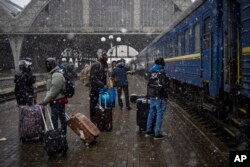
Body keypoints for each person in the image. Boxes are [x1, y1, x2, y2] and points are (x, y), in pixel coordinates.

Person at [39, 58, 68, 135]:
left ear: (53, 64)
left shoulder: (56, 75)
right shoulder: (53, 73)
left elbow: (54, 90)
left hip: (57, 101)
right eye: (47, 64)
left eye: (49, 64)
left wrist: (45, 101)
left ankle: (58, 135)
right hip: (56, 100)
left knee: (56, 118)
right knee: (61, 117)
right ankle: (61, 134)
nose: (47, 66)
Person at [145, 57, 169, 139]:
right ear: (161, 63)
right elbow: (165, 85)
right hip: (160, 96)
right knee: (159, 114)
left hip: (152, 95)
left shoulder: (151, 71)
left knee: (151, 112)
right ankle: (157, 133)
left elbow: (148, 83)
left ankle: (148, 131)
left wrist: (148, 94)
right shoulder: (161, 72)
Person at [89, 49, 108, 123]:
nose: (107, 56)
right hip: (95, 89)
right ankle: (93, 120)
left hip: (101, 89)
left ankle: (100, 118)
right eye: (105, 55)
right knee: (93, 105)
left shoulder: (105, 64)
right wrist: (102, 85)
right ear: (101, 56)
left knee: (102, 104)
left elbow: (103, 77)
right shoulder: (96, 64)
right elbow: (93, 78)